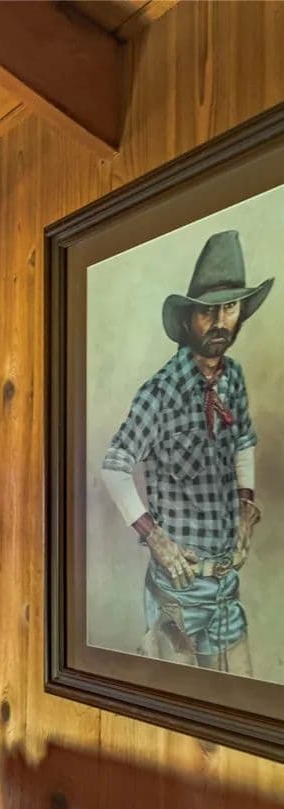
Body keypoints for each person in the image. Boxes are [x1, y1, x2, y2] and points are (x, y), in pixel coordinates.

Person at [100, 230, 271, 675]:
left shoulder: (232, 377)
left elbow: (244, 441)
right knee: (182, 708)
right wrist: (155, 538)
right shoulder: (161, 392)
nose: (219, 321)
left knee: (241, 698)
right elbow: (114, 467)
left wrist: (245, 508)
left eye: (229, 308)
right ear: (189, 317)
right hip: (177, 593)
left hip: (224, 585)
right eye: (207, 311)